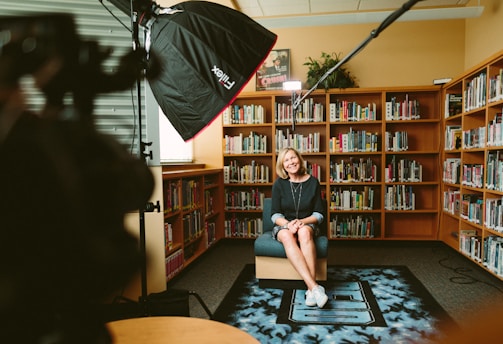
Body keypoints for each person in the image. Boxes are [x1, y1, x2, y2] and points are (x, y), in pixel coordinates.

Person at [271, 147, 328, 308]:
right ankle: (314, 287)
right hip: (284, 225)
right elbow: (275, 215)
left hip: (307, 223)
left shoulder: (313, 182)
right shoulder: (279, 184)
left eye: (293, 158)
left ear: (299, 159)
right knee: (287, 236)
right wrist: (289, 224)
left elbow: (319, 214)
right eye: (286, 160)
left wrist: (301, 222)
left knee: (304, 232)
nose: (291, 162)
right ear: (282, 166)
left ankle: (311, 291)